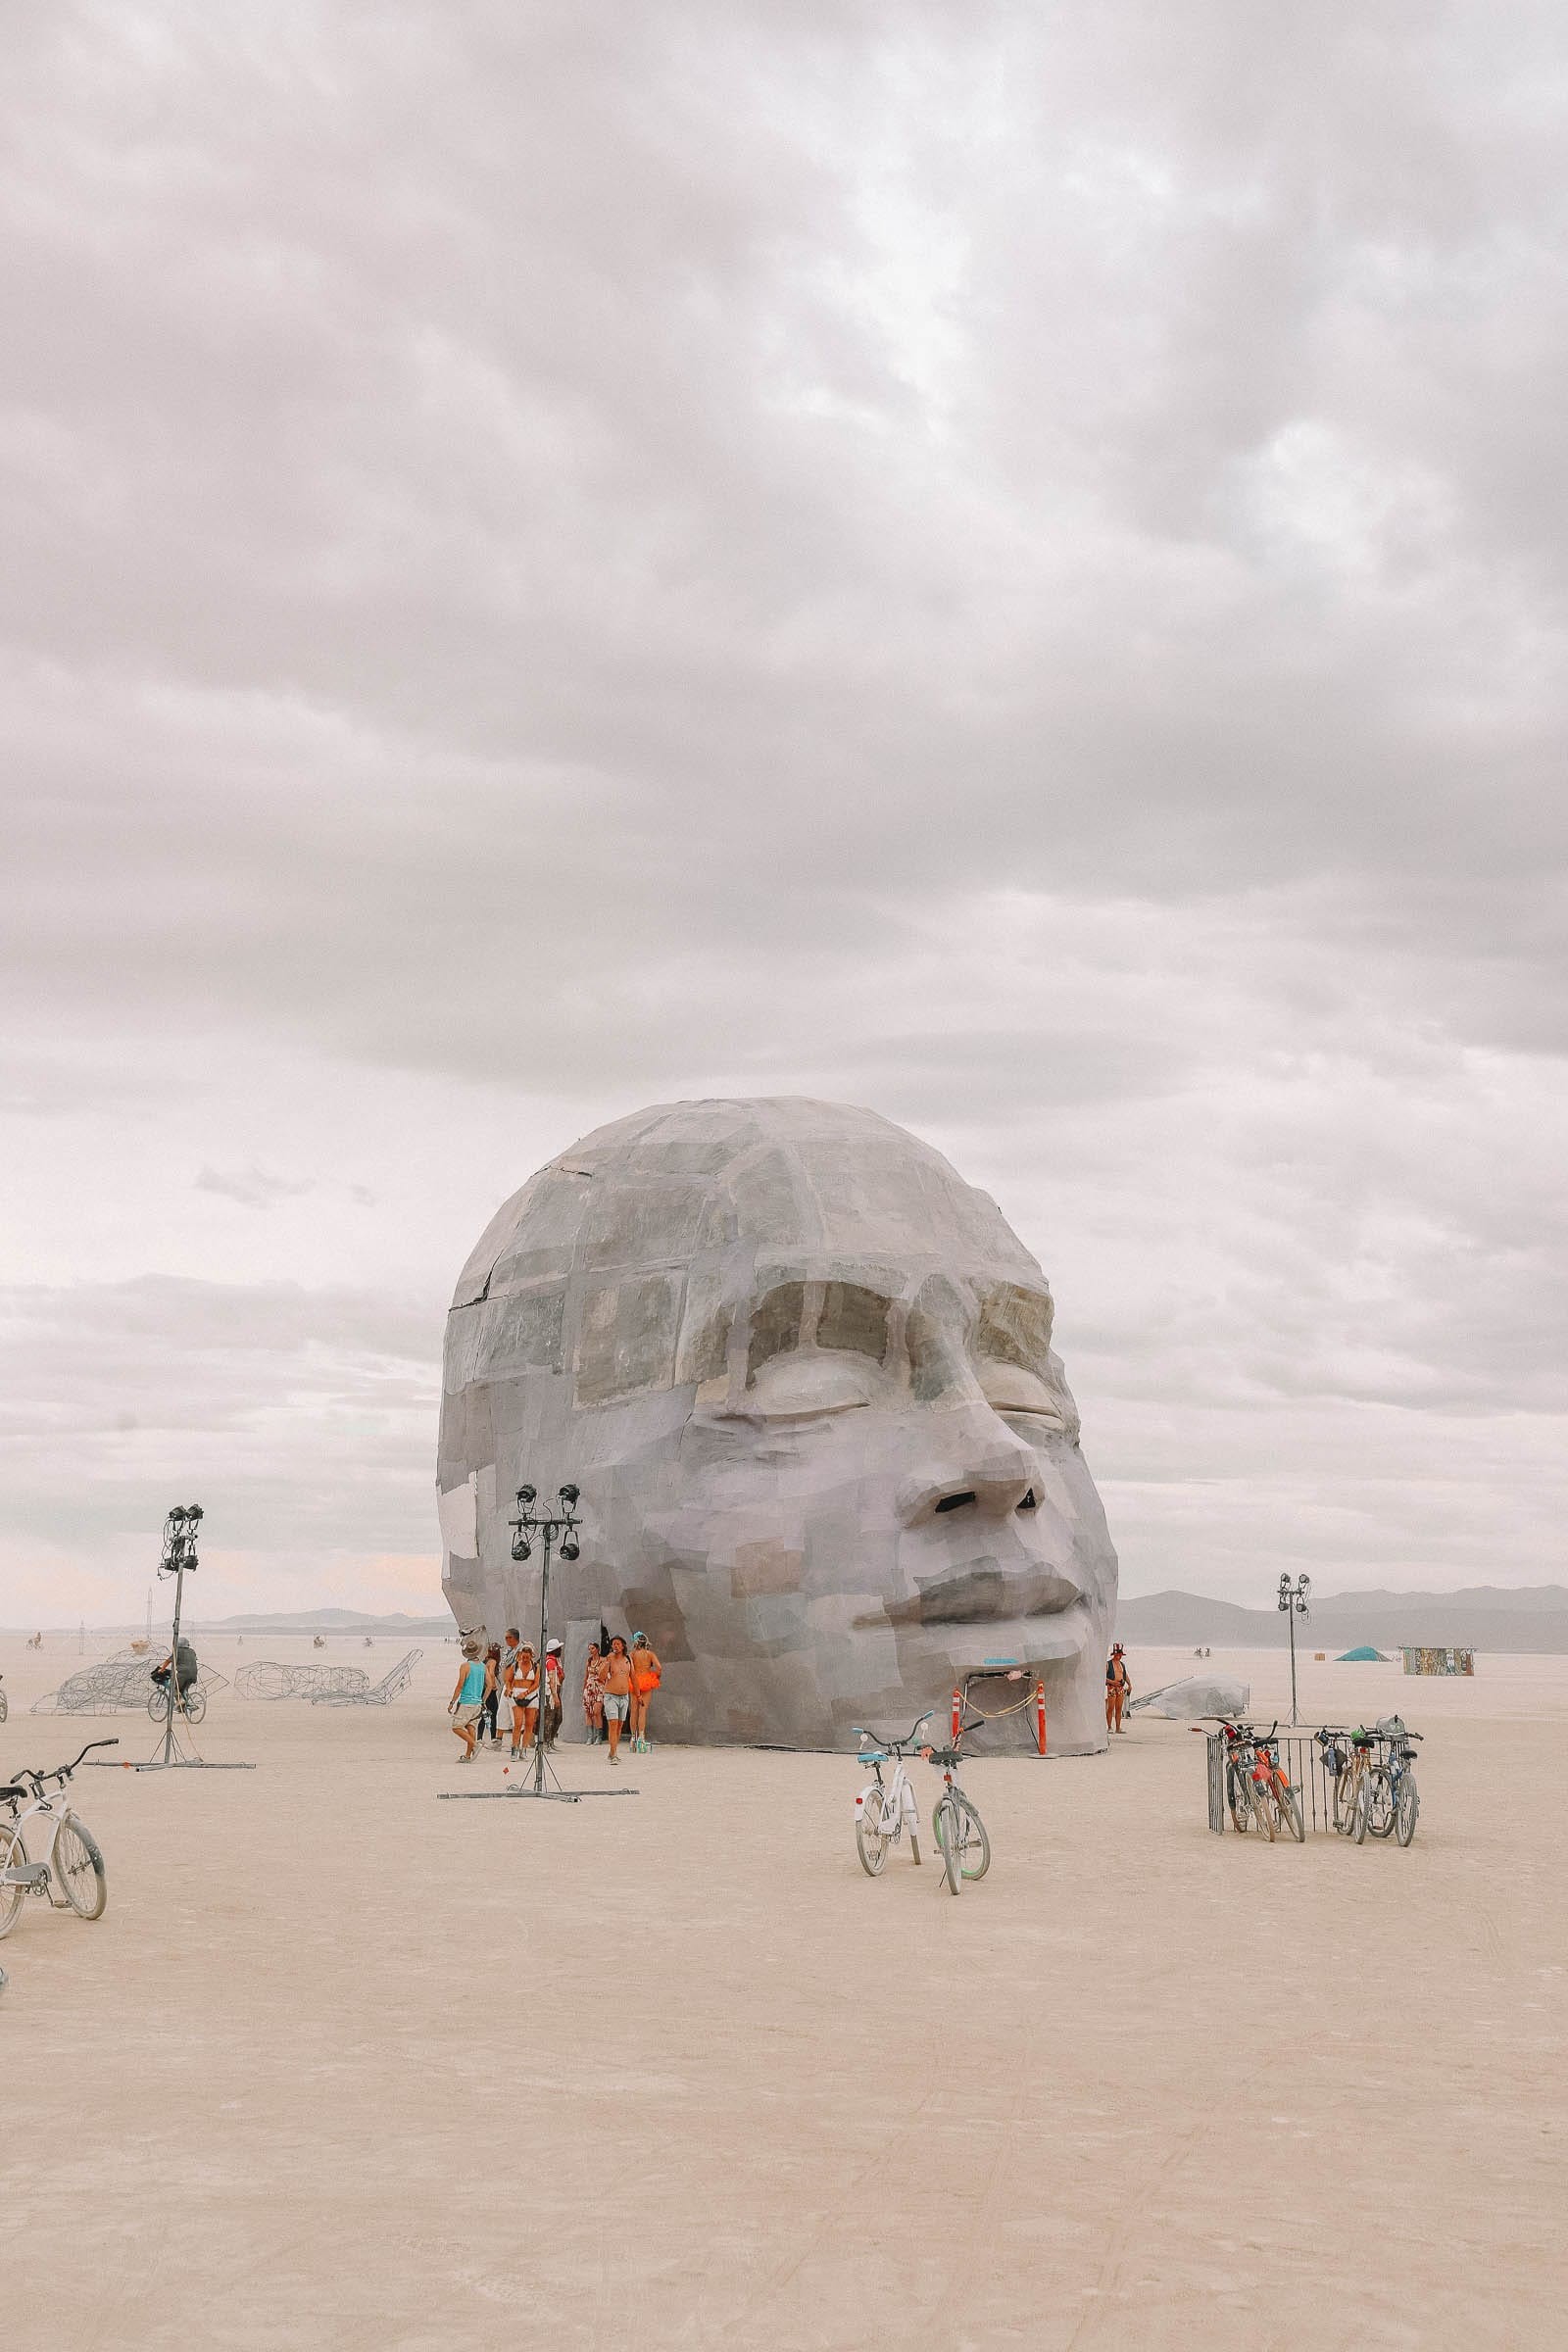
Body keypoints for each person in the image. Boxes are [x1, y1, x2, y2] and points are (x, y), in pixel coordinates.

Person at [597, 1636, 634, 1765]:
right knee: (613, 1723)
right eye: (613, 1644)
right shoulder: (609, 1658)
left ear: (623, 1646)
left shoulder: (628, 1659)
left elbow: (633, 1678)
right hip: (611, 1695)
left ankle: (613, 1751)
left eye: (618, 1644)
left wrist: (638, 1695)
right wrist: (607, 1663)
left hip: (624, 1696)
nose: (615, 1646)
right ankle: (614, 1755)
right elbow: (601, 1677)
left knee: (619, 1726)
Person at [449, 1642, 487, 1762]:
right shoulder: (483, 1666)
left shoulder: (465, 1666)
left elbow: (460, 1685)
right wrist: (483, 1700)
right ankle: (467, 1756)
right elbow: (491, 1685)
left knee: (456, 1727)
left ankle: (475, 1745)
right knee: (471, 1727)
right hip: (477, 1703)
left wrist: (452, 1701)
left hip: (467, 1702)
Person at [628, 1632, 662, 1753]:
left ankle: (633, 1738)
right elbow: (659, 1667)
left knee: (633, 1711)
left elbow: (629, 1669)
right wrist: (656, 1678)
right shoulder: (650, 1654)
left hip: (634, 1682)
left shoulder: (631, 1655)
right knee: (643, 1711)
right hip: (647, 1680)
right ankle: (641, 1738)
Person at [506, 1643, 540, 1755]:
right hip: (517, 1693)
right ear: (520, 1655)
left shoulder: (535, 1667)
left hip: (530, 1694)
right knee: (518, 1723)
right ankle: (514, 1747)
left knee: (530, 1723)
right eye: (523, 1657)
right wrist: (509, 1689)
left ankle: (524, 1748)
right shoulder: (515, 1666)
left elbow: (536, 1683)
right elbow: (508, 1680)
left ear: (531, 1656)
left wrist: (526, 1693)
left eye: (527, 1657)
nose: (525, 1659)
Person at [541, 1639, 564, 1747]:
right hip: (551, 1692)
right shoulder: (550, 1662)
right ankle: (546, 1741)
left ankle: (550, 1740)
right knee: (550, 1718)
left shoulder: (556, 1661)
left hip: (555, 1691)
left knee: (557, 1717)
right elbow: (552, 1680)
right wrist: (555, 1696)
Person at [1105, 1643, 1131, 1735]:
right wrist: (1112, 1682)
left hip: (1120, 1687)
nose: (1119, 1656)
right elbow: (1103, 1677)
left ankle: (1118, 1727)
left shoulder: (1122, 1664)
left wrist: (1129, 1684)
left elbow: (1125, 1675)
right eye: (1118, 1654)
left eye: (1120, 1654)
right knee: (1111, 1708)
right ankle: (1109, 1727)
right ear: (1114, 1654)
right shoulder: (1108, 1664)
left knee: (1119, 1708)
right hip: (1112, 1688)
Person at [582, 1644, 606, 1743]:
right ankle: (590, 1737)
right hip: (589, 1686)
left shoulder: (603, 1660)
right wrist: (584, 1688)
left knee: (596, 1711)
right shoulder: (589, 1661)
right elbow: (586, 1676)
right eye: (589, 1649)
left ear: (597, 1649)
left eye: (593, 1648)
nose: (591, 1650)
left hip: (599, 1687)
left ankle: (598, 1736)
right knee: (588, 1712)